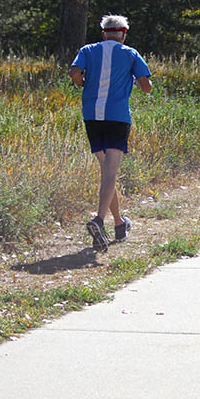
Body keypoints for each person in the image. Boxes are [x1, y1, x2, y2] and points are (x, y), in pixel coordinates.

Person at [69, 14, 152, 251]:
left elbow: (74, 73)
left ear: (104, 33)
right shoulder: (130, 53)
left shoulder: (87, 50)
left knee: (107, 171)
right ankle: (98, 220)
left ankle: (119, 223)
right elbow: (147, 87)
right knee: (110, 172)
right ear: (123, 34)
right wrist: (135, 82)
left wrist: (83, 83)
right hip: (117, 117)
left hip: (92, 116)